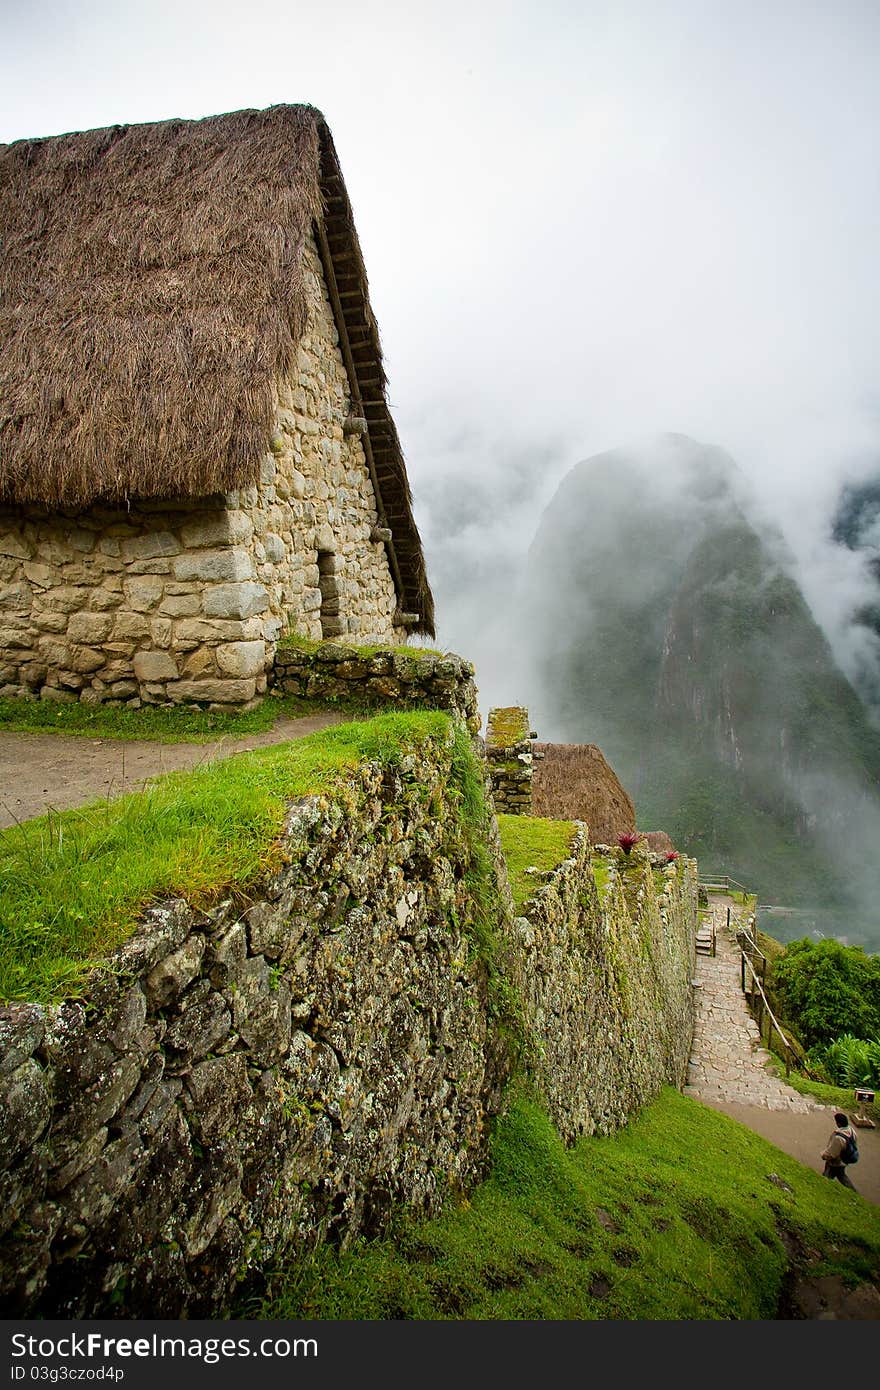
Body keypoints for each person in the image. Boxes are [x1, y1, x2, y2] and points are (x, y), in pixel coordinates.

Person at [821, 1112, 858, 1190]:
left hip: (836, 1161)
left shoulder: (839, 1138)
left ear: (838, 1123)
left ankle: (823, 1188)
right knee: (841, 1175)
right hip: (845, 1159)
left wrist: (824, 1155)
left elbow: (832, 1153)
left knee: (828, 1175)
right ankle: (852, 1190)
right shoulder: (851, 1131)